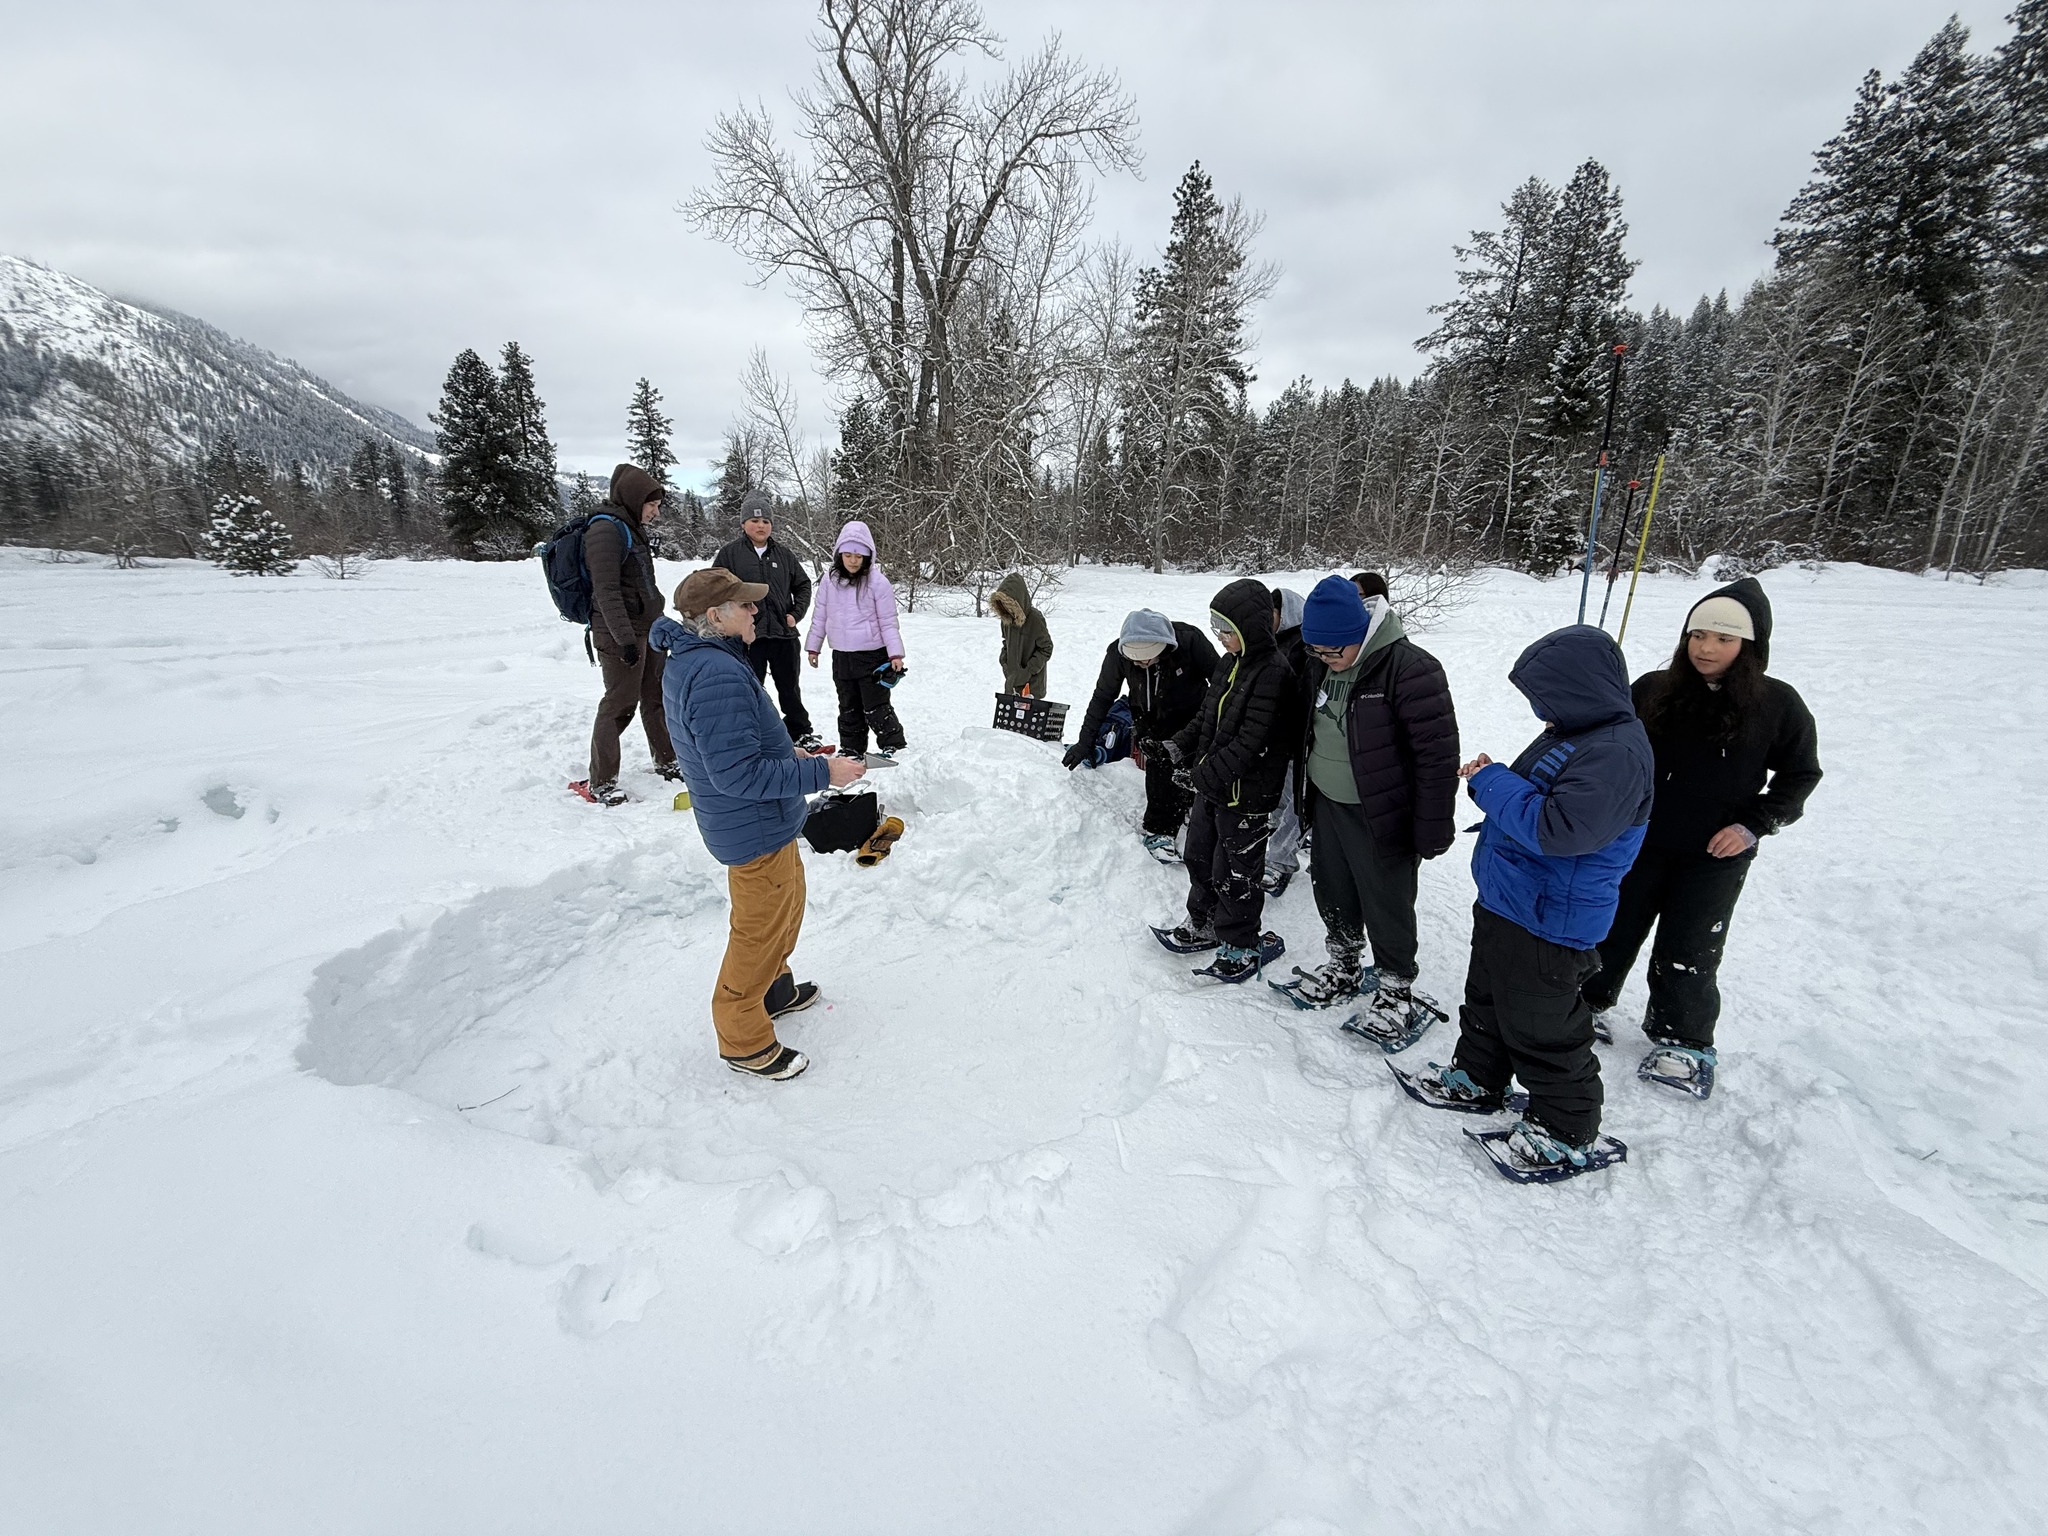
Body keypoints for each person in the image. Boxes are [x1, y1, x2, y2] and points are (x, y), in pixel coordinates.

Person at [1401, 625, 1653, 1176]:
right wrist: (1499, 779)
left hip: (1550, 915)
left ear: (1580, 690)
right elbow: (1541, 795)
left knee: (1543, 1027)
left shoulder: (1615, 754)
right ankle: (1478, 1078)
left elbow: (1559, 828)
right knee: (1489, 1000)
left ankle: (1565, 1129)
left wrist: (1492, 782)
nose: (1540, 709)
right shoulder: (1574, 731)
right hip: (1512, 899)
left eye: (1546, 696)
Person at [1581, 578, 1822, 1096]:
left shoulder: (1778, 704)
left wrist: (1752, 826)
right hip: (1637, 839)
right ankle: (1585, 1004)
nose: (1706, 648)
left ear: (1749, 646)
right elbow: (1608, 745)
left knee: (1691, 944)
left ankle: (1682, 1039)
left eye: (1723, 639)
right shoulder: (1653, 689)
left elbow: (1801, 775)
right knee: (1610, 925)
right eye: (1698, 635)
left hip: (1715, 853)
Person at [649, 568, 867, 1081]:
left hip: (767, 821)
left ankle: (775, 989)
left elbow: (734, 748)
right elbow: (736, 774)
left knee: (786, 910)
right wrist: (823, 773)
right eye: (745, 605)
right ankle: (743, 1038)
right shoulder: (714, 673)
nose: (755, 611)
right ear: (714, 616)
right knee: (758, 933)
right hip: (752, 826)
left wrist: (790, 755)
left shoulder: (706, 659)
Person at [1286, 575, 1460, 1038]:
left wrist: (1433, 825)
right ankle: (1344, 963)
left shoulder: (1410, 669)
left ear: (1360, 634)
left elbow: (1437, 757)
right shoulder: (1319, 664)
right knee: (1332, 886)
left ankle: (1395, 989)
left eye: (1333, 651)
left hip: (1382, 812)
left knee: (1386, 900)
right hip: (1327, 801)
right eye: (1316, 652)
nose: (1325, 660)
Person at [1147, 579, 1299, 982]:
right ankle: (1204, 921)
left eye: (1227, 629)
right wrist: (1175, 747)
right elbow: (1206, 717)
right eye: (1215, 627)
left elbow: (1252, 742)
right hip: (1214, 788)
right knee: (1198, 856)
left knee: (1235, 873)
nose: (1219, 636)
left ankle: (1241, 943)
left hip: (1247, 796)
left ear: (1250, 626)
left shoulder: (1274, 673)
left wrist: (1201, 776)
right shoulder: (1229, 663)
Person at [1064, 610, 1218, 856]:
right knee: (1159, 768)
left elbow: (1221, 682)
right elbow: (1103, 697)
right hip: (1150, 721)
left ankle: (1191, 808)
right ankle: (1160, 830)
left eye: (1147, 659)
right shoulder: (1117, 654)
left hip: (1194, 718)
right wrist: (1085, 742)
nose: (1141, 664)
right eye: (1136, 660)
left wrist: (1210, 717)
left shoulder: (1190, 641)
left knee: (1194, 768)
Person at [574, 463, 676, 806]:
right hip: (620, 632)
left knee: (655, 696)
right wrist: (625, 640)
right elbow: (606, 591)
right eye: (652, 505)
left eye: (658, 505)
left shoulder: (631, 527)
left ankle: (667, 760)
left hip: (646, 628)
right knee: (619, 703)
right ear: (634, 499)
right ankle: (601, 781)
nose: (655, 512)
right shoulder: (605, 530)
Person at [712, 489, 819, 749]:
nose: (761, 526)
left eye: (766, 521)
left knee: (789, 688)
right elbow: (714, 588)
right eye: (755, 520)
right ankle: (750, 734)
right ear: (743, 524)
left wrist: (795, 614)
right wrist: (729, 624)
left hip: (783, 635)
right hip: (749, 638)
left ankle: (800, 732)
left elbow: (803, 585)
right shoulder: (730, 554)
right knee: (750, 688)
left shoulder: (784, 555)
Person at [805, 521, 907, 766]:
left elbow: (888, 621)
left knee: (875, 704)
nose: (852, 560)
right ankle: (852, 748)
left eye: (858, 556)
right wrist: (813, 646)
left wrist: (895, 654)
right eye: (848, 555)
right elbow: (820, 615)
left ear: (867, 556)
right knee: (848, 705)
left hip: (872, 655)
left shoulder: (878, 583)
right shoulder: (829, 582)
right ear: (839, 554)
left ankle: (893, 745)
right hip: (842, 656)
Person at [1264, 587, 1310, 894]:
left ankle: (1281, 860)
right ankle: (1279, 830)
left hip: (1302, 736)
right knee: (1284, 788)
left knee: (1299, 799)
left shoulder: (1304, 645)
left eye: (1272, 613)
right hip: (1281, 736)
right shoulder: (1274, 641)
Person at [991, 572, 1054, 700]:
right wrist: (1004, 662)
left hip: (1032, 687)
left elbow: (1046, 648)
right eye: (1001, 604)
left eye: (1007, 604)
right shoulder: (1006, 620)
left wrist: (1029, 670)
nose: (1004, 608)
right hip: (1012, 685)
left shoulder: (1035, 619)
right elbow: (1006, 643)